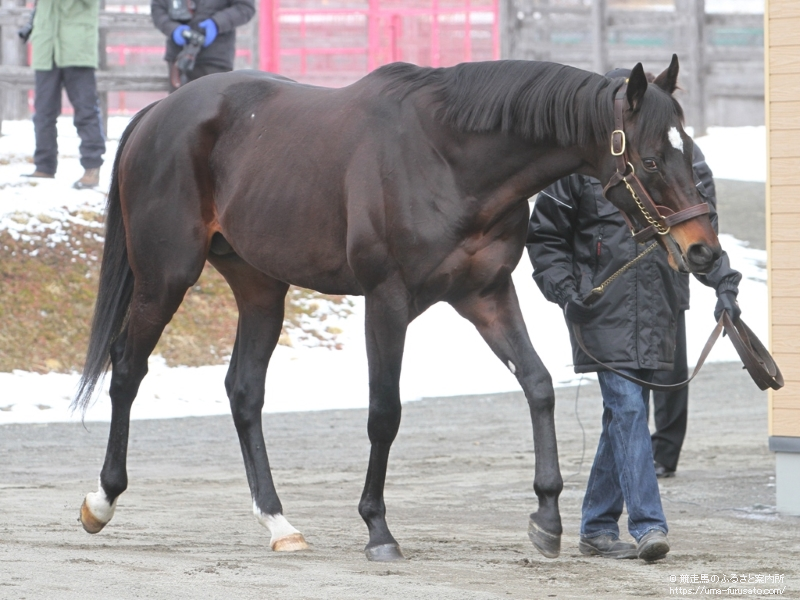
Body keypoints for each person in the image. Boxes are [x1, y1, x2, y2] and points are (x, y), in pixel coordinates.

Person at [526, 71, 742, 562]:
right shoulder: (579, 167)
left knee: (619, 420)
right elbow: (545, 240)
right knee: (627, 411)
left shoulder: (684, 158)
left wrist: (724, 286)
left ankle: (597, 528)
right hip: (599, 311)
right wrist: (565, 292)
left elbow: (702, 237)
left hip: (662, 309)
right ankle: (648, 526)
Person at [24, 0, 106, 189]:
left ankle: (92, 167)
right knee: (43, 113)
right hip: (46, 48)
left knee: (86, 111)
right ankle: (44, 166)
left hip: (77, 48)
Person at [151, 0, 255, 91]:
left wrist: (217, 24)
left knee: (213, 107)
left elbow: (245, 7)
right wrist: (173, 29)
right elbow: (158, 9)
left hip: (215, 59)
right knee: (178, 108)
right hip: (179, 58)